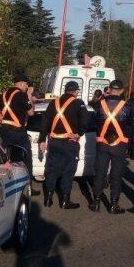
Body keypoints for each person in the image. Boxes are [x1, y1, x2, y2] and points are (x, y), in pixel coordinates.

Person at [38, 81, 87, 209]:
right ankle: (65, 201)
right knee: (68, 171)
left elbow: (45, 122)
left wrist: (42, 140)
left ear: (65, 90)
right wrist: (79, 133)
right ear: (76, 91)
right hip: (70, 143)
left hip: (54, 142)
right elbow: (85, 122)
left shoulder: (53, 103)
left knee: (51, 169)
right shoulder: (78, 103)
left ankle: (48, 199)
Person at [89, 79, 133, 214]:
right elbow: (130, 126)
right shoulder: (127, 106)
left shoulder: (99, 104)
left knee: (100, 173)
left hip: (102, 143)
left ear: (109, 89)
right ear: (121, 91)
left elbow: (93, 122)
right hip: (119, 144)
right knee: (116, 174)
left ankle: (96, 202)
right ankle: (114, 204)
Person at [0, 74, 38, 195]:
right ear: (22, 83)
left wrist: (5, 121)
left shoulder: (3, 95)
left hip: (5, 130)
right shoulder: (21, 95)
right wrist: (29, 96)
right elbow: (31, 112)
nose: (27, 86)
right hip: (18, 132)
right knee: (25, 158)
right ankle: (28, 187)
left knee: (7, 157)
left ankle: (7, 185)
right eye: (27, 84)